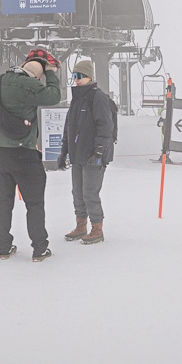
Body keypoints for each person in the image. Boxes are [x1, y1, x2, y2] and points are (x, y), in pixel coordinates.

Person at [0, 47, 62, 261]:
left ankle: (4, 247)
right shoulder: (30, 85)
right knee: (34, 204)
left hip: (1, 153)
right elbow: (53, 96)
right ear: (38, 75)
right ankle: (39, 249)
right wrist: (51, 74)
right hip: (24, 153)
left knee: (3, 202)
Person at [58, 59, 115, 245]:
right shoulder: (77, 98)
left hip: (93, 156)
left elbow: (105, 126)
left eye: (80, 75)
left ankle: (97, 229)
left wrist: (99, 151)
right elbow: (69, 127)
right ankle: (80, 225)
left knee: (90, 193)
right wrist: (64, 151)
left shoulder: (97, 97)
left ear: (90, 76)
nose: (77, 79)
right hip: (78, 155)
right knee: (77, 193)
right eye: (74, 75)